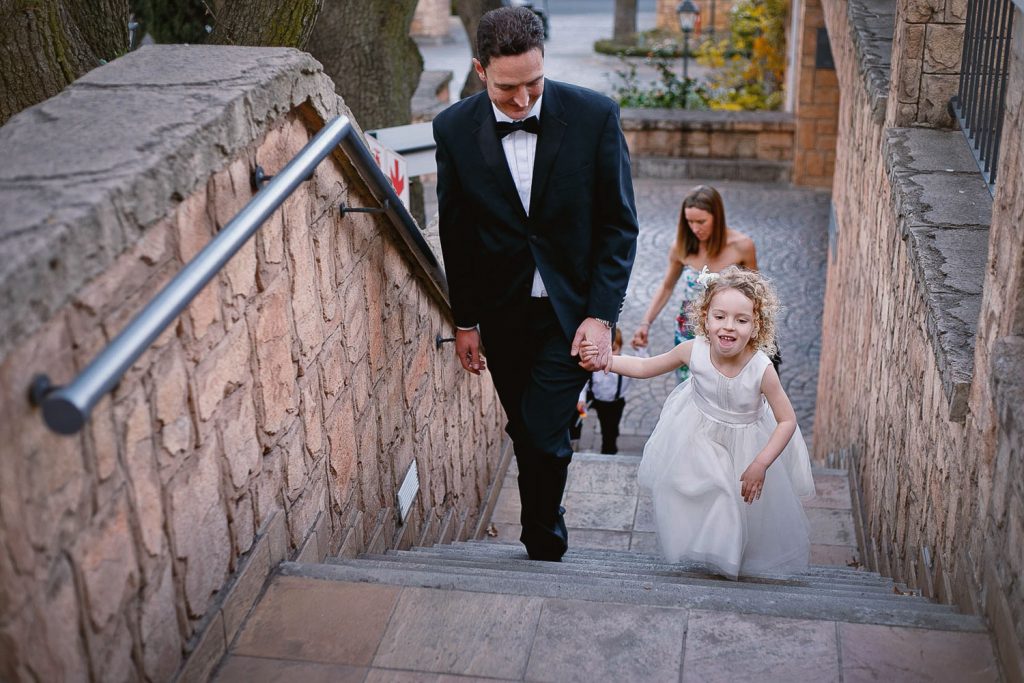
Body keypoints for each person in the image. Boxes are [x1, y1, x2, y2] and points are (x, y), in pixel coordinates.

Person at [433, 6, 639, 562]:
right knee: (524, 428)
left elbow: (620, 226)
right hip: (501, 315)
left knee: (546, 432)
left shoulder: (595, 116)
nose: (523, 100)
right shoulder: (452, 129)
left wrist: (602, 314)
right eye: (507, 88)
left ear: (544, 63)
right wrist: (466, 320)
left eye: (534, 83)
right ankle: (547, 515)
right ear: (480, 70)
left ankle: (543, 537)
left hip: (568, 313)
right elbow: (456, 232)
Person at [581, 267, 813, 579]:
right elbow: (645, 365)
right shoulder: (693, 350)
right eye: (720, 316)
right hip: (698, 436)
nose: (728, 327)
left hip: (748, 445)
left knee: (742, 507)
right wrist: (607, 361)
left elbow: (786, 420)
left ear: (756, 326)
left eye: (741, 320)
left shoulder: (761, 369)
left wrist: (761, 463)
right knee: (715, 495)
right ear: (705, 317)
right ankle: (717, 554)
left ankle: (731, 561)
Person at [630, 185, 758, 382]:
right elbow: (666, 286)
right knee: (688, 387)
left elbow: (755, 295)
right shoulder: (681, 247)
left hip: (726, 329)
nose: (695, 228)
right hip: (688, 329)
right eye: (689, 222)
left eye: (701, 221)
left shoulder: (742, 246)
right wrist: (645, 323)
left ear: (717, 216)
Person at [574, 327, 646, 454]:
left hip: (613, 404)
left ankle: (608, 451)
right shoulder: (595, 361)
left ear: (621, 347)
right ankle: (575, 437)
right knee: (578, 415)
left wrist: (640, 349)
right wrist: (581, 399)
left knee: (610, 430)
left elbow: (642, 365)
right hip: (593, 398)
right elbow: (584, 382)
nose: (608, 355)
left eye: (613, 349)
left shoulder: (625, 364)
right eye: (603, 350)